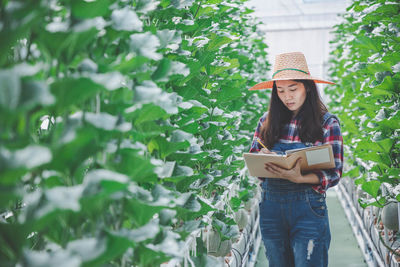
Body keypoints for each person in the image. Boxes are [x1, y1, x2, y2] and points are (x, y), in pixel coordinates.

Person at [248, 52, 343, 267]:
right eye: (280, 91)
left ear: (307, 88)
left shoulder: (327, 123)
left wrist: (300, 178)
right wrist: (264, 160)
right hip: (271, 209)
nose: (287, 96)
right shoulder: (266, 122)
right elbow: (254, 159)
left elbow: (335, 172)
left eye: (293, 89)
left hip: (308, 208)